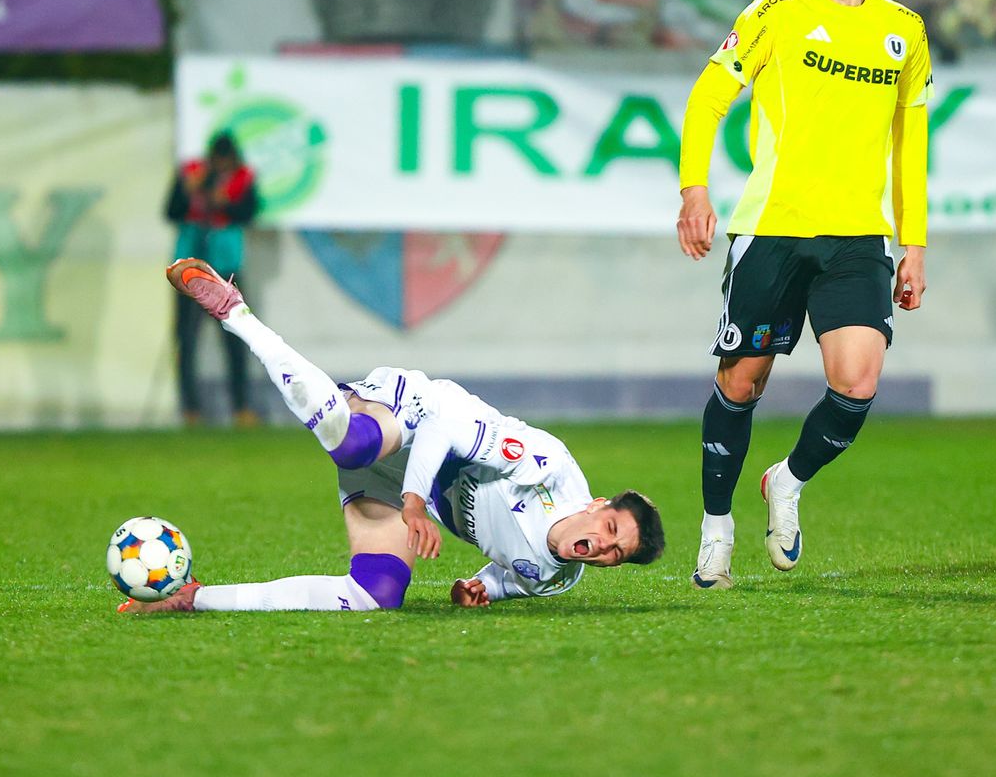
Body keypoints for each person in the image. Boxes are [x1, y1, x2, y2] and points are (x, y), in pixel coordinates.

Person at [120, 258, 665, 614]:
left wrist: (475, 588)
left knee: (374, 596)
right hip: (417, 418)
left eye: (615, 554)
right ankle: (235, 313)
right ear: (597, 504)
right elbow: (442, 428)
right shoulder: (545, 467)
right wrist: (414, 503)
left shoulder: (556, 579)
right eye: (611, 528)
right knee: (353, 443)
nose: (603, 548)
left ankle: (193, 598)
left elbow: (508, 578)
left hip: (408, 489)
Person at [676, 0, 931, 590]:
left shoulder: (904, 30)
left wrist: (914, 243)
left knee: (858, 382)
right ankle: (716, 530)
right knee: (741, 383)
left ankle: (787, 480)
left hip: (857, 236)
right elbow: (708, 96)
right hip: (773, 229)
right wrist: (693, 188)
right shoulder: (776, 11)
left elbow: (911, 144)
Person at [164, 132, 260, 426]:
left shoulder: (242, 179)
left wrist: (224, 204)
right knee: (186, 340)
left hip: (226, 270)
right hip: (191, 270)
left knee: (236, 339)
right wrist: (189, 192)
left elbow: (249, 213)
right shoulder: (193, 175)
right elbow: (171, 211)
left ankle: (241, 407)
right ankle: (190, 409)